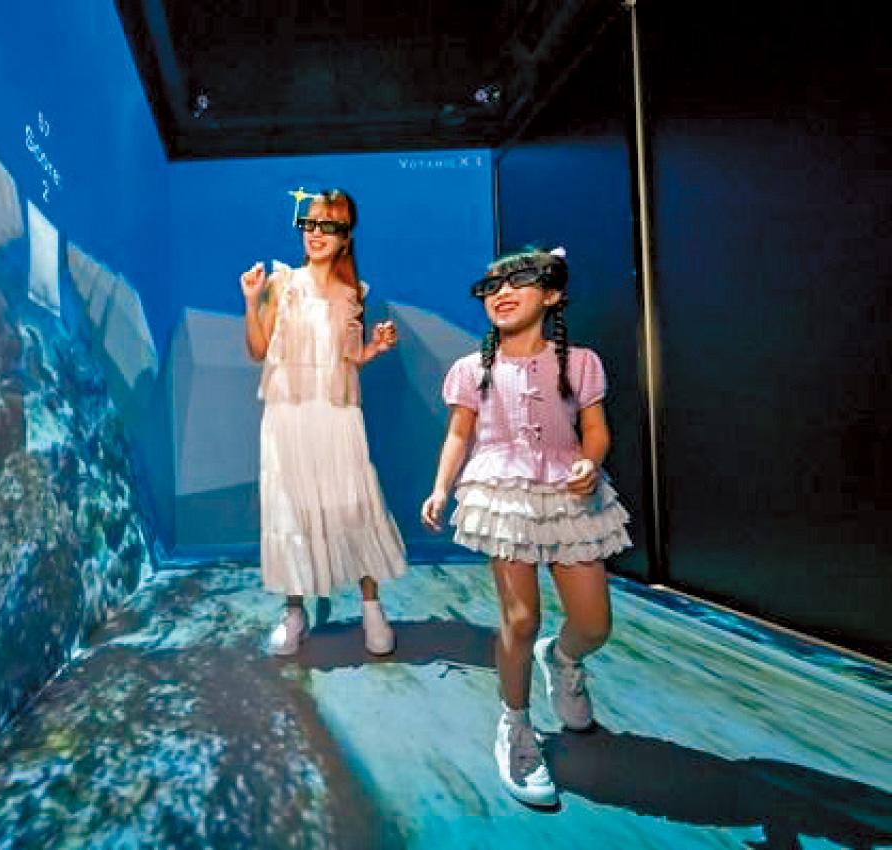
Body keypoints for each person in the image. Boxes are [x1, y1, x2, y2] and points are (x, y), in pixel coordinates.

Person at [421, 246, 631, 808]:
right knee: (520, 618)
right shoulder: (471, 370)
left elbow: (595, 430)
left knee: (594, 624)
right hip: (503, 494)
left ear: (553, 295)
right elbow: (459, 435)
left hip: (568, 494)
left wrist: (590, 461)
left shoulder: (580, 363)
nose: (502, 292)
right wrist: (441, 487)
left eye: (519, 280)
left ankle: (560, 658)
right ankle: (515, 725)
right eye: (492, 286)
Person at [241, 188, 407, 657]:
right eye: (310, 224)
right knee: (290, 508)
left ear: (346, 237)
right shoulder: (281, 283)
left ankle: (372, 609)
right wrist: (251, 301)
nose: (317, 234)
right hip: (287, 414)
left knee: (354, 504)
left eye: (330, 226)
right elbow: (257, 350)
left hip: (337, 413)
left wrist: (376, 347)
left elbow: (348, 358)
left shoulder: (354, 293)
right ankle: (294, 614)